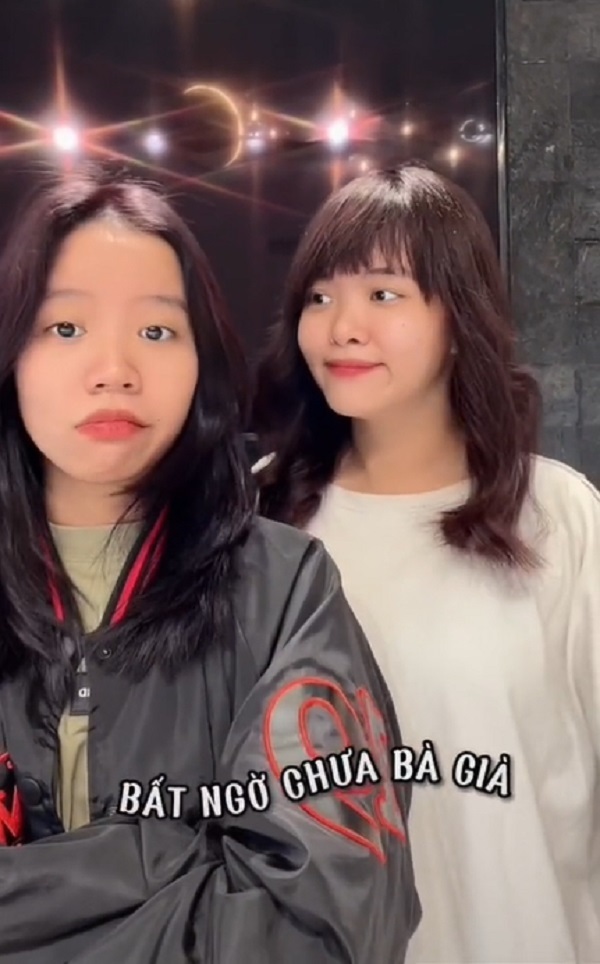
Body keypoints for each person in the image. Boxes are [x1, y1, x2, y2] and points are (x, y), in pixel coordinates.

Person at [0, 166, 420, 963]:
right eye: (66, 328)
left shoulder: (284, 590)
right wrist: (174, 855)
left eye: (157, 332)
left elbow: (327, 923)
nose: (114, 368)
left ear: (202, 365)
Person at [252, 163, 600, 963]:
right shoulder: (261, 517)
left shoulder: (559, 516)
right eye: (319, 297)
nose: (342, 327)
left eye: (384, 293)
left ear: (459, 318)